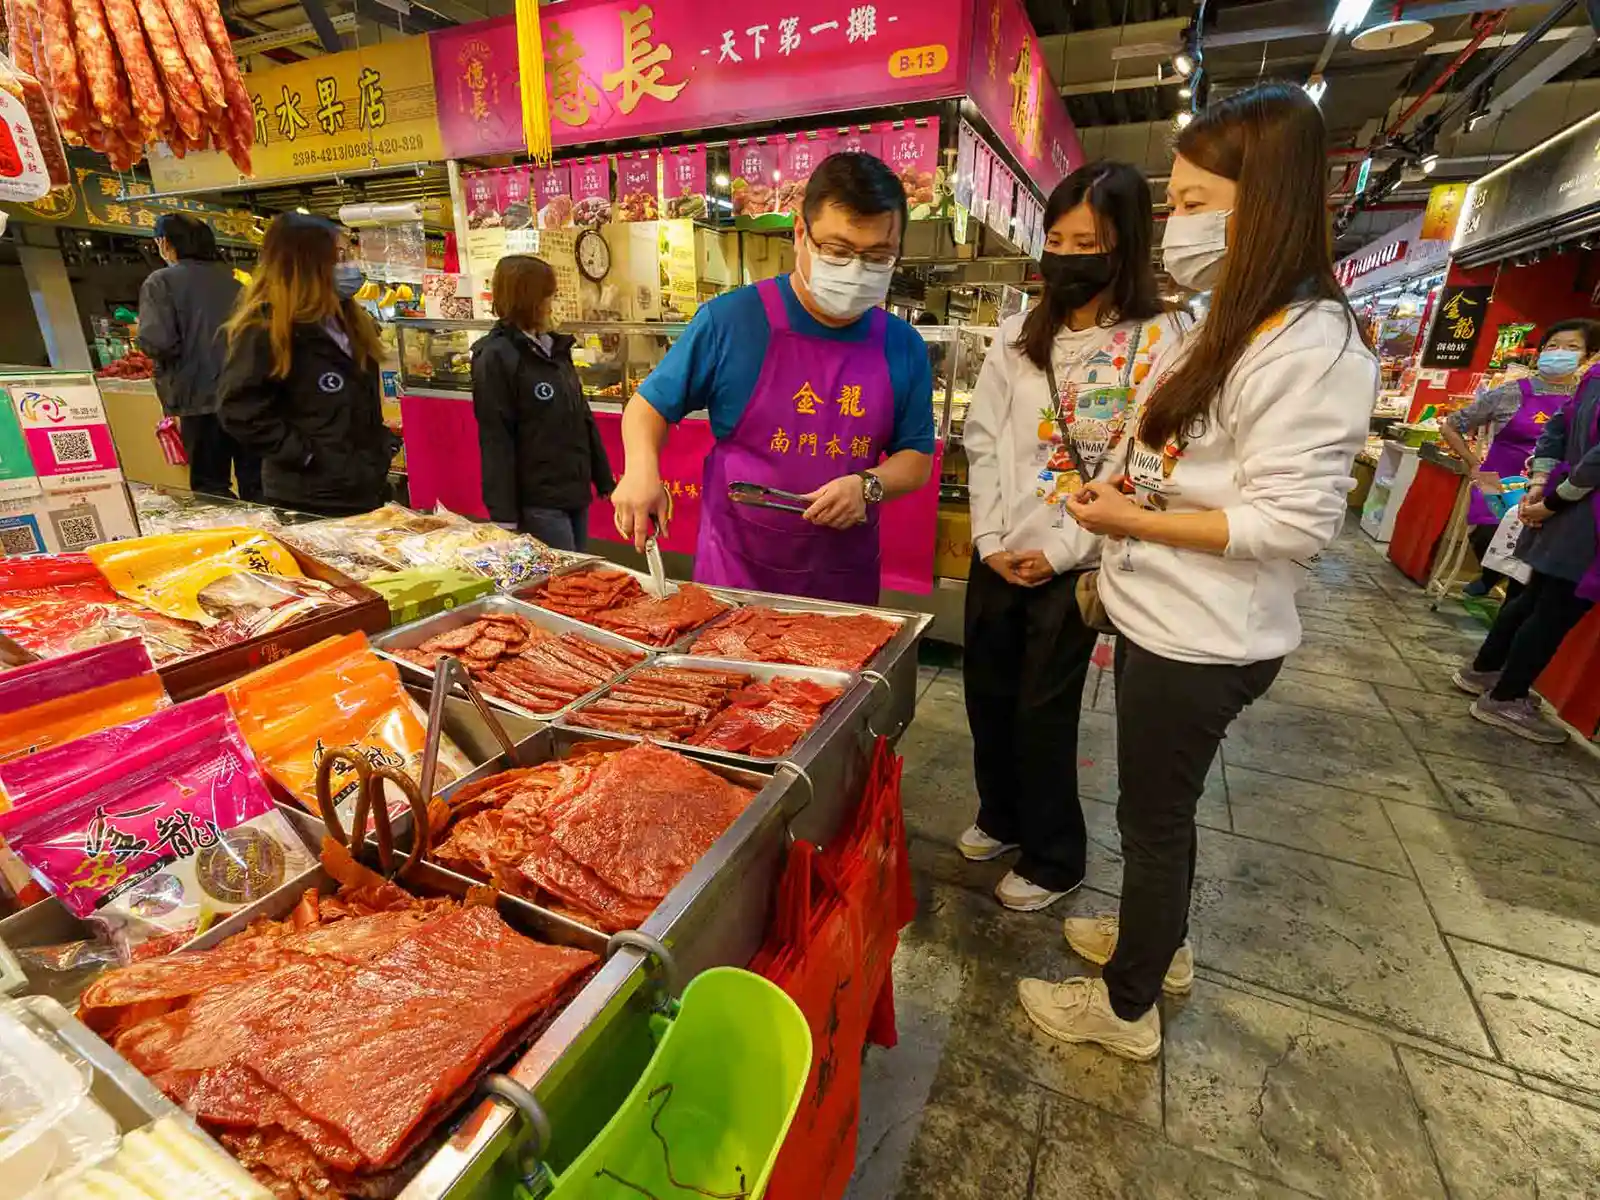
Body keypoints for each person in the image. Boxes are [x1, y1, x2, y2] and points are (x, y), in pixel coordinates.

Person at [1016, 83, 1379, 1060]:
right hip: (1156, 616)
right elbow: (1169, 453)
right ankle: (1156, 939)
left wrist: (1133, 517)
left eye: (1188, 204)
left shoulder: (1313, 345)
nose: (1170, 226)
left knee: (1153, 818)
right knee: (1157, 814)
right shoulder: (1220, 317)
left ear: (1258, 205)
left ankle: (1127, 1007)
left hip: (1202, 638)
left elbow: (1292, 524)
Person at [959, 161, 1189, 913]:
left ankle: (1057, 857)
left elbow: (1143, 462)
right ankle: (1002, 815)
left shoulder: (1161, 342)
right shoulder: (1018, 338)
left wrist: (1058, 550)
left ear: (1124, 246)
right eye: (1055, 238)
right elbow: (984, 438)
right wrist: (991, 540)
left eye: (1085, 241)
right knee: (987, 699)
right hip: (998, 554)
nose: (1064, 255)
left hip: (1076, 565)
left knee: (1042, 714)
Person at [610, 152, 936, 603]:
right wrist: (642, 470)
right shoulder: (732, 320)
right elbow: (648, 407)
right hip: (736, 577)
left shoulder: (902, 345)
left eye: (878, 256)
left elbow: (916, 458)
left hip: (842, 584)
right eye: (839, 251)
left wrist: (868, 486)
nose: (857, 269)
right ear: (801, 234)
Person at [1454, 362, 1600, 743]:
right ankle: (1506, 697)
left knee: (1531, 595)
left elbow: (1555, 430)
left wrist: (1540, 485)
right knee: (1554, 610)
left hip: (1559, 506)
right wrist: (1552, 499)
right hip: (1586, 518)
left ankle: (1486, 671)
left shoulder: (1591, 377)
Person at [218, 213, 395, 517]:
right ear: (306, 262)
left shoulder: (348, 320)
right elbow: (239, 410)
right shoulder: (266, 328)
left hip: (363, 487)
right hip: (309, 498)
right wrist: (307, 455)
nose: (350, 265)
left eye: (349, 254)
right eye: (340, 256)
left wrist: (379, 445)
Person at [1439, 320, 1600, 596]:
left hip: (1554, 484)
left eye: (1572, 347)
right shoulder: (1510, 391)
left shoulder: (1585, 396)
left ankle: (1514, 591)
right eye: (1553, 346)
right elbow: (1451, 424)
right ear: (1541, 352)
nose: (1560, 352)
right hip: (1497, 478)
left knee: (1539, 543)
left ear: (1588, 356)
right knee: (1487, 533)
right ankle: (1491, 574)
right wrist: (1473, 463)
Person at [473, 255, 613, 550]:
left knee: (578, 575)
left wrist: (603, 478)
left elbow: (582, 416)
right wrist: (504, 517)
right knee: (557, 582)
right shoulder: (496, 356)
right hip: (538, 501)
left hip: (573, 492)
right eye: (548, 294)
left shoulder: (555, 348)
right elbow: (496, 438)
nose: (553, 301)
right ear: (527, 297)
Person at [136, 214, 258, 501]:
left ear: (165, 243)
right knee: (256, 484)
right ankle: (267, 542)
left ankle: (229, 543)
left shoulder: (161, 282)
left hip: (198, 399)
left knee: (211, 488)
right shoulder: (237, 284)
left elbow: (158, 341)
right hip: (246, 397)